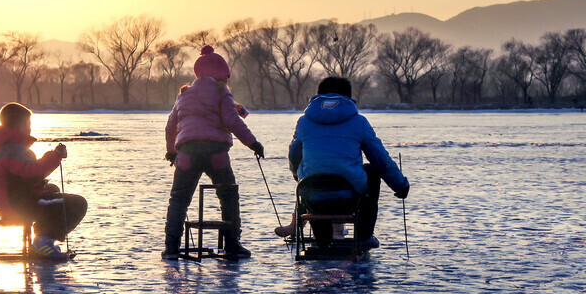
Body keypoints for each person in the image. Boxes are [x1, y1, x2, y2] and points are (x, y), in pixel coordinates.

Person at [163, 45, 264, 260]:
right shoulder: (221, 91)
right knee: (228, 195)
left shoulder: (184, 94)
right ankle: (232, 244)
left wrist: (172, 151)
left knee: (179, 199)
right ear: (223, 74)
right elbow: (232, 120)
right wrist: (253, 143)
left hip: (187, 153)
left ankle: (171, 247)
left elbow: (171, 126)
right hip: (216, 152)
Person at [284, 77, 409, 251]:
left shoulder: (304, 122)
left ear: (318, 95)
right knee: (372, 171)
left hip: (312, 196)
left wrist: (298, 176)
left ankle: (323, 238)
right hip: (349, 197)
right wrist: (400, 185)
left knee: (313, 179)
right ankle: (364, 236)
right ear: (348, 97)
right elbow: (380, 159)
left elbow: (294, 155)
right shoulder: (359, 122)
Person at [0, 102, 88, 260]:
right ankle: (43, 241)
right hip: (19, 206)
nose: (30, 129)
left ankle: (42, 240)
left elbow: (18, 175)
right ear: (20, 125)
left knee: (52, 189)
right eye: (28, 125)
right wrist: (56, 156)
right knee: (78, 203)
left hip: (3, 204)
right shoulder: (16, 149)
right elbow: (34, 172)